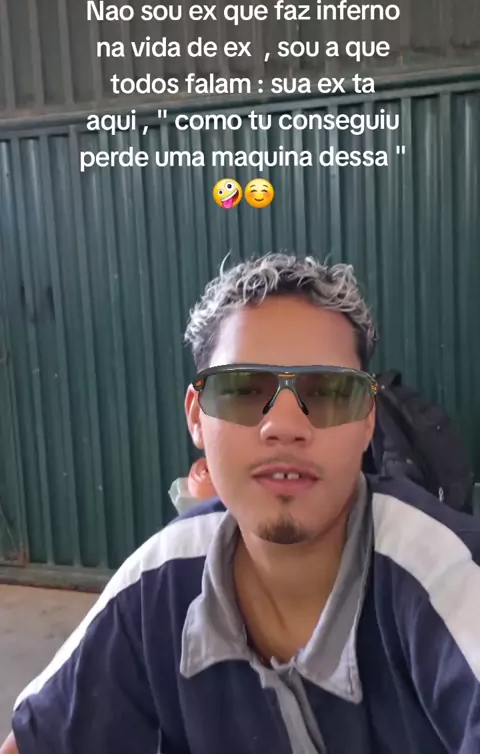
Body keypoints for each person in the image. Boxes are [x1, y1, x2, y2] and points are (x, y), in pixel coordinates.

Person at [2, 252, 480, 754]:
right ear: (196, 417)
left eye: (328, 391)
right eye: (244, 389)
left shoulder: (447, 578)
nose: (285, 426)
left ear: (367, 421)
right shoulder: (156, 586)